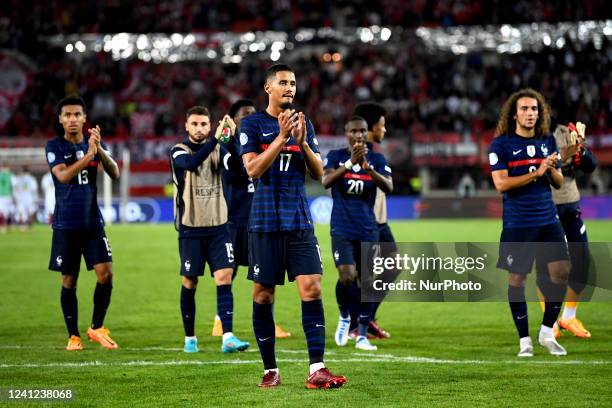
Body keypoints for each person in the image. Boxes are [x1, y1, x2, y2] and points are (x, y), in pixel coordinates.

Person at [240, 64, 346, 388]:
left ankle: (317, 369)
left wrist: (300, 141)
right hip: (264, 224)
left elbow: (318, 172)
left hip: (299, 221)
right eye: (283, 83)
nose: (290, 88)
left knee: (312, 287)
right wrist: (281, 138)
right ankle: (270, 369)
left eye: (293, 83)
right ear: (268, 88)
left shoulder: (305, 123)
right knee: (263, 294)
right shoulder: (252, 124)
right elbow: (252, 170)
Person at [488, 88, 570, 357]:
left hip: (548, 219)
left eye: (534, 109)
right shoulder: (501, 145)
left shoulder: (548, 141)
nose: (530, 114)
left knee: (561, 273)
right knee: (518, 279)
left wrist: (552, 168)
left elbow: (558, 182)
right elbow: (501, 184)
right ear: (514, 114)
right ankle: (524, 340)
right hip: (518, 223)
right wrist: (537, 172)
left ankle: (547, 331)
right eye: (524, 109)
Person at [170, 105, 250, 354]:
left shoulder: (220, 148)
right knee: (190, 281)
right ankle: (190, 338)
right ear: (186, 126)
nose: (199, 128)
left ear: (209, 125)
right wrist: (217, 137)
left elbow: (238, 171)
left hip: (218, 228)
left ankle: (227, 337)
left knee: (225, 277)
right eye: (194, 124)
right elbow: (192, 163)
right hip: (191, 228)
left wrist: (235, 138)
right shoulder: (177, 151)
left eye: (204, 124)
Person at [212, 98, 291, 339]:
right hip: (235, 220)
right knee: (229, 272)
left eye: (252, 114)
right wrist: (233, 139)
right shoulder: (226, 146)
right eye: (244, 115)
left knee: (268, 274)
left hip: (262, 218)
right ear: (235, 120)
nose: (250, 119)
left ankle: (271, 321)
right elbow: (237, 171)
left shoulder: (265, 142)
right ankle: (219, 321)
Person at [45, 95, 120, 351]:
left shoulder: (95, 145)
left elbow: (115, 172)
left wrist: (98, 150)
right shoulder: (54, 146)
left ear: (85, 118)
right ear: (60, 120)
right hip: (66, 224)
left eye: (77, 114)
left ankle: (96, 327)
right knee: (69, 280)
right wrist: (88, 156)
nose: (72, 119)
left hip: (92, 223)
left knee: (106, 274)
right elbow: (64, 176)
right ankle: (73, 336)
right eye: (67, 115)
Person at [322, 116, 393, 351]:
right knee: (346, 275)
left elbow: (389, 186)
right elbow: (326, 181)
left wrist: (368, 169)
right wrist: (351, 163)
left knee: (367, 281)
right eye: (354, 131)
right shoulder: (336, 156)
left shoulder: (377, 159)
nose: (359, 135)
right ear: (347, 133)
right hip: (342, 228)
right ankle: (344, 317)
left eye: (363, 131)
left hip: (367, 228)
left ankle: (361, 335)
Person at [546, 121, 597, 339]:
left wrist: (581, 153)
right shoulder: (536, 143)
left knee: (583, 263)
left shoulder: (571, 136)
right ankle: (549, 323)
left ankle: (568, 316)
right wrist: (561, 156)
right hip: (547, 210)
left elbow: (590, 166)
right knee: (554, 268)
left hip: (571, 208)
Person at [351, 102, 395, 339]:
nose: (384, 130)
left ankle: (366, 320)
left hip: (380, 222)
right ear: (371, 127)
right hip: (366, 223)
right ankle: (355, 325)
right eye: (382, 125)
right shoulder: (362, 153)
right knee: (362, 276)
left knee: (391, 266)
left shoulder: (375, 155)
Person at [12, 166, 38, 231]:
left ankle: (22, 227)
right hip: (29, 198)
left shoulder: (19, 179)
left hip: (21, 198)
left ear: (22, 171)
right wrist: (35, 198)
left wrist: (16, 197)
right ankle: (30, 227)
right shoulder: (32, 179)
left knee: (21, 212)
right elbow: (34, 189)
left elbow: (15, 189)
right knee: (30, 212)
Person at [0, 167, 14, 233]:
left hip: (1, 195)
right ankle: (9, 226)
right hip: (8, 195)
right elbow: (14, 185)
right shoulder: (10, 175)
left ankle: (2, 227)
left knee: (2, 212)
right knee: (8, 212)